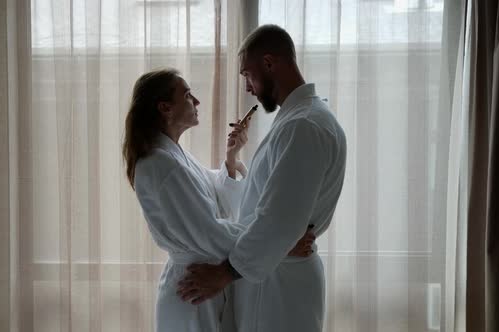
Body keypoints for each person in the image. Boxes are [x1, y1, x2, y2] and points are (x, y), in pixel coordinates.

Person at [177, 25, 347, 332]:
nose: (247, 87)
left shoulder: (303, 126)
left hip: (279, 290)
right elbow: (265, 209)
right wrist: (233, 161)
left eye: (247, 74)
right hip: (277, 278)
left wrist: (222, 274)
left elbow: (278, 221)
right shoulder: (304, 119)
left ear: (269, 63)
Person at [123, 68, 316, 332]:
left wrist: (232, 157)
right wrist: (277, 247)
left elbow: (212, 192)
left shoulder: (172, 155)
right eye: (188, 95)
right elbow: (209, 231)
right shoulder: (161, 164)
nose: (197, 101)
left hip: (201, 283)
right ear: (165, 107)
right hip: (192, 288)